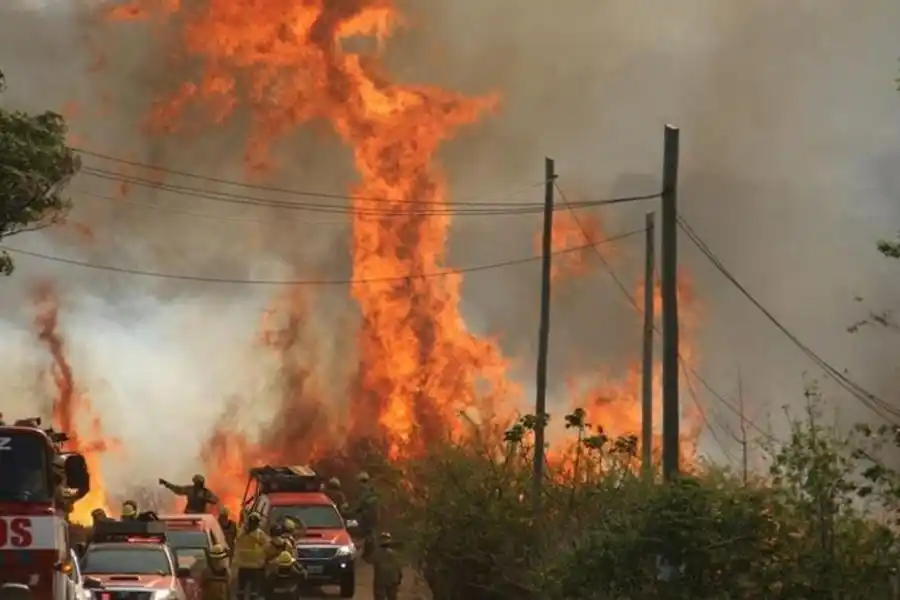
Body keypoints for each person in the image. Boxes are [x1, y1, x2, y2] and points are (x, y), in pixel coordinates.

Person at [232, 513, 270, 600]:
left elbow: (236, 542)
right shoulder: (259, 534)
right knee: (253, 591)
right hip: (255, 567)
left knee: (241, 589)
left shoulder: (241, 532)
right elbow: (268, 546)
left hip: (243, 565)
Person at [351, 471, 378, 560]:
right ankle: (369, 553)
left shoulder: (364, 490)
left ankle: (369, 553)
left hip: (367, 515)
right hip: (374, 514)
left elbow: (359, 504)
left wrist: (350, 512)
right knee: (370, 533)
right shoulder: (371, 489)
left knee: (367, 534)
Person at [371, 532, 402, 600]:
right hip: (393, 579)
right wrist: (399, 577)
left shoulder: (376, 553)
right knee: (392, 597)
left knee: (379, 597)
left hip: (380, 579)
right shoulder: (394, 553)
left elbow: (370, 560)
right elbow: (398, 567)